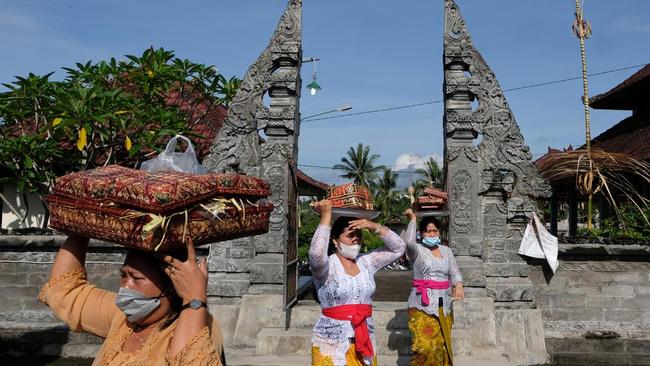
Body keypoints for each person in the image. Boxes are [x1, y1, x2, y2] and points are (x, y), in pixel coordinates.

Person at [39, 235, 224, 365]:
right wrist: (80, 229)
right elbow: (62, 291)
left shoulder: (204, 325)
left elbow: (191, 361)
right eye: (124, 275)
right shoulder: (122, 318)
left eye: (136, 278)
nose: (125, 287)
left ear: (171, 283)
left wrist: (194, 297)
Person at [309, 200, 406, 366]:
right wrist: (326, 217)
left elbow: (399, 247)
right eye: (349, 235)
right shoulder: (326, 266)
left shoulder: (367, 262)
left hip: (365, 338)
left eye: (358, 236)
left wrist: (373, 226)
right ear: (335, 241)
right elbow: (317, 255)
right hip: (331, 342)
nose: (355, 240)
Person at [404, 208, 464, 366]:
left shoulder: (447, 251)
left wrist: (458, 285)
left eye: (435, 231)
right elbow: (409, 242)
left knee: (441, 346)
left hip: (444, 306)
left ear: (439, 232)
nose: (432, 234)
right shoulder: (417, 251)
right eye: (428, 231)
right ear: (422, 233)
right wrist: (412, 219)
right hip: (421, 307)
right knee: (424, 348)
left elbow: (455, 271)